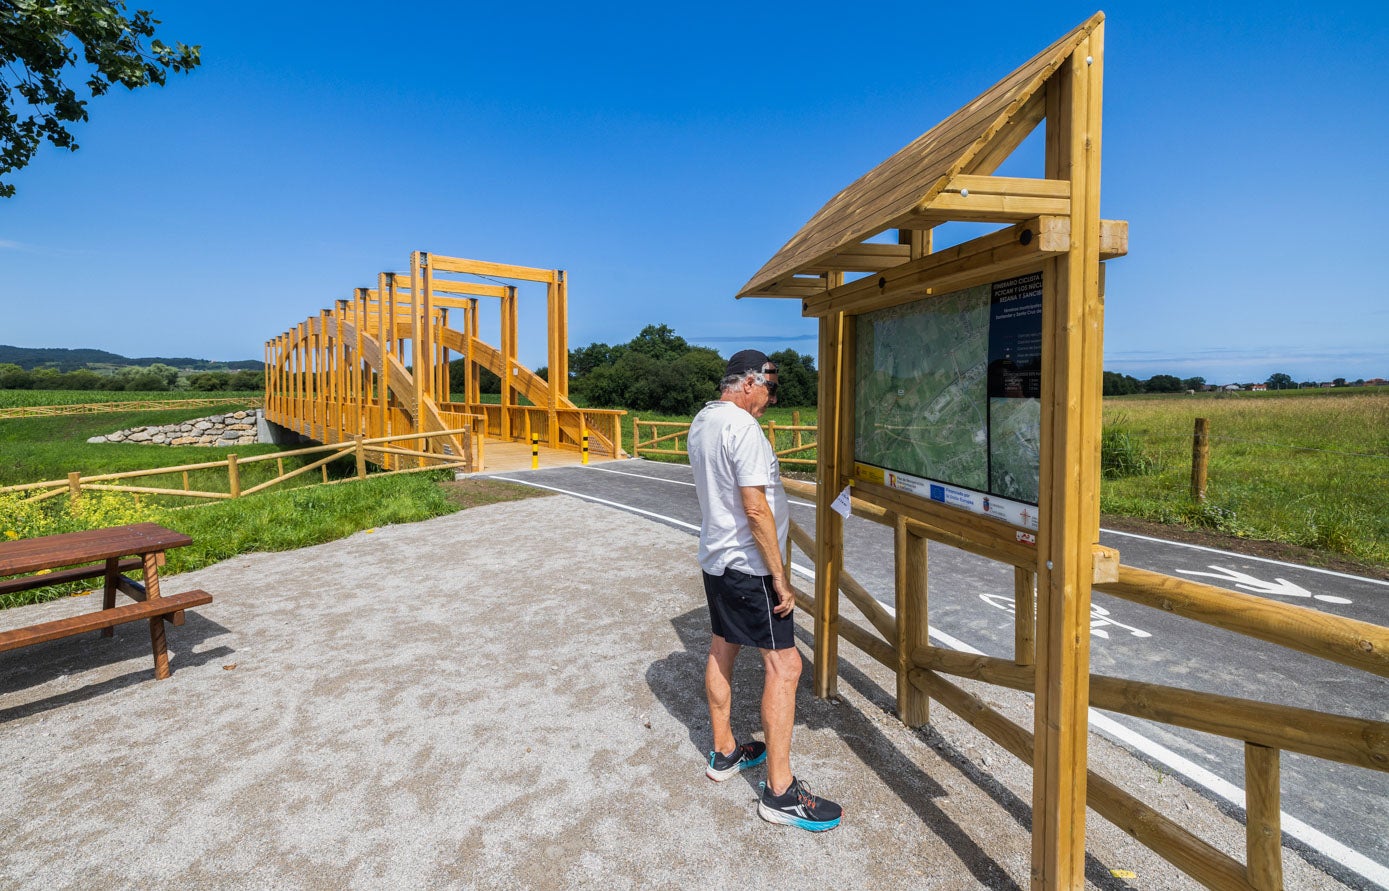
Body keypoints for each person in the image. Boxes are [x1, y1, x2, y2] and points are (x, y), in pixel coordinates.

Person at [687, 349, 842, 832]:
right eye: (770, 390)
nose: (772, 400)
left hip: (717, 558)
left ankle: (725, 750)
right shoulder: (744, 429)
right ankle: (779, 792)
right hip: (751, 567)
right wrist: (779, 576)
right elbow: (756, 510)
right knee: (786, 664)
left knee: (723, 645)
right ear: (750, 383)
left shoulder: (703, 420)